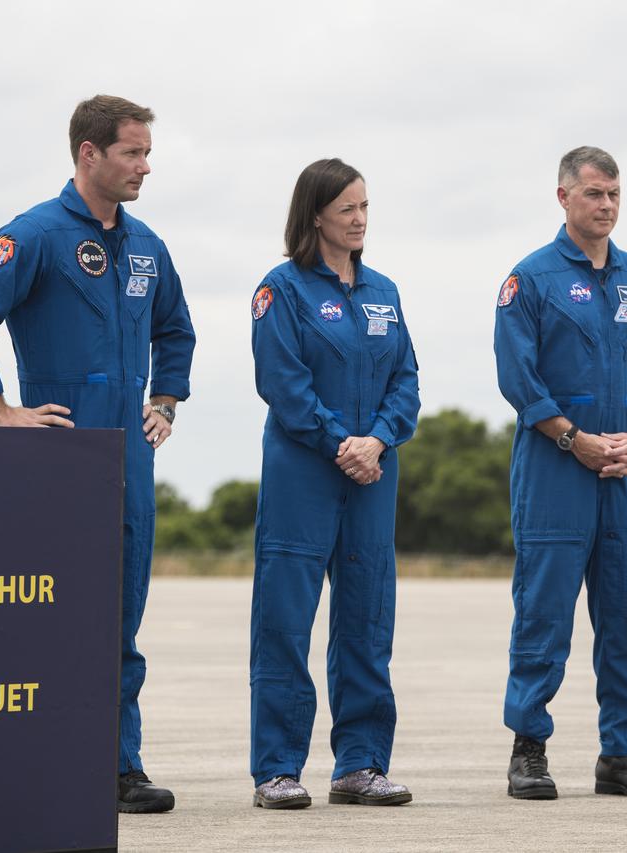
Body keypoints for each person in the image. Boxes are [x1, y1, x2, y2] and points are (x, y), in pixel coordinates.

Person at [0, 95, 196, 814]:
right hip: (57, 457)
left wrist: (165, 400)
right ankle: (36, 757)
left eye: (147, 152)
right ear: (89, 154)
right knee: (51, 616)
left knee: (120, 619)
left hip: (130, 459)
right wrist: (0, 411)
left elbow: (176, 329)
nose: (146, 165)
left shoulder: (146, 245)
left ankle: (118, 766)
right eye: (133, 153)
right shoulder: (36, 234)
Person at [493, 146, 627, 800]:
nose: (605, 205)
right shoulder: (531, 279)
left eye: (614, 194)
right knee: (544, 614)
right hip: (555, 472)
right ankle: (529, 748)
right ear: (564, 197)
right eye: (594, 193)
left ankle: (622, 753)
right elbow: (518, 378)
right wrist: (573, 440)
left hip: (626, 472)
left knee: (626, 615)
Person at [248, 158, 419, 810]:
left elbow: (406, 379)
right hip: (303, 472)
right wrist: (337, 441)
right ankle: (276, 768)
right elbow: (282, 381)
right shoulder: (281, 290)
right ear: (315, 212)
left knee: (367, 618)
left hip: (373, 472)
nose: (359, 219)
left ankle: (361, 764)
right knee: (285, 621)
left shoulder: (384, 292)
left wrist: (377, 438)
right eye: (348, 207)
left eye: (366, 207)